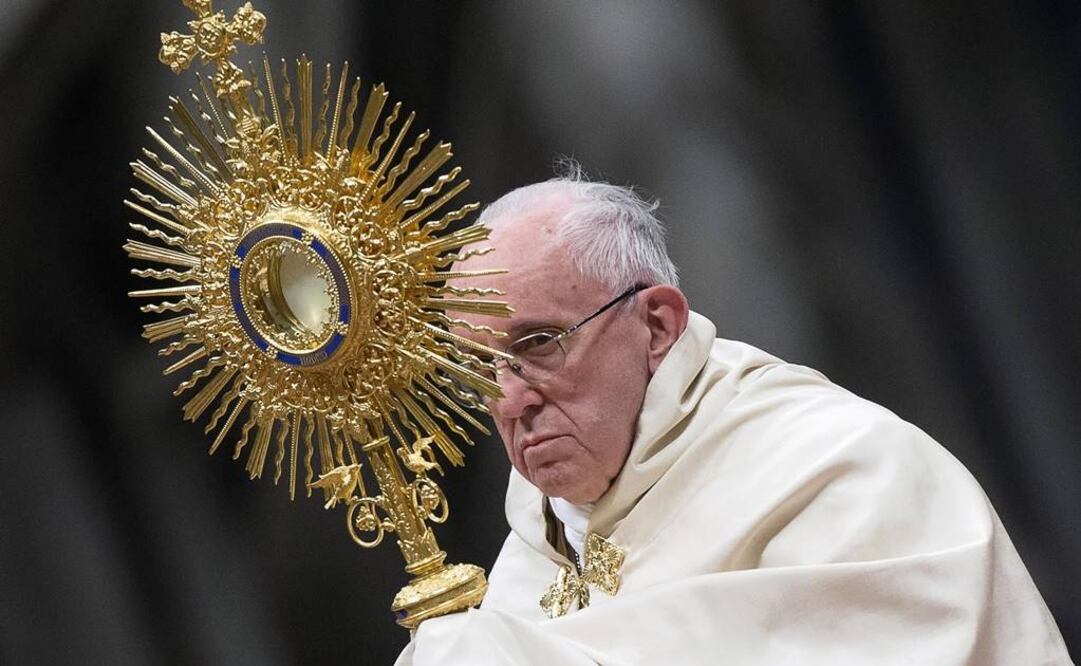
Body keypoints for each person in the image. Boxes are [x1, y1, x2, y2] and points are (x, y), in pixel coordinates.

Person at [396, 165, 1071, 665]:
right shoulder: (534, 551)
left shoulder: (839, 471)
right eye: (479, 368)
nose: (510, 399)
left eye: (537, 345)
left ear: (656, 324)